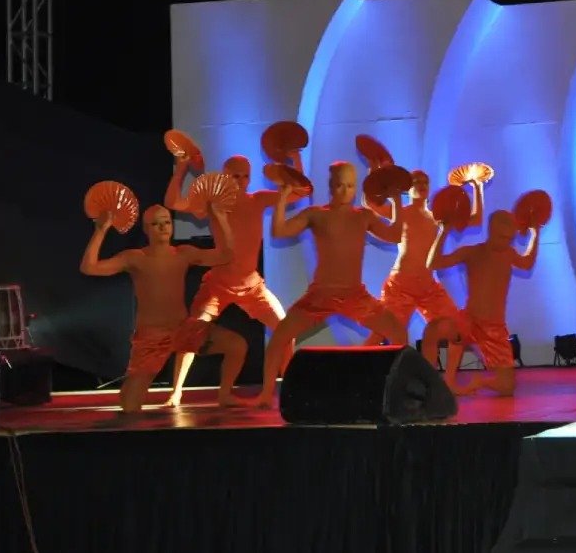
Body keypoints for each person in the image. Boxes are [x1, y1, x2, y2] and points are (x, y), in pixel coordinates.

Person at [252, 161, 407, 407]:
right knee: (280, 337)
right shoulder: (316, 214)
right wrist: (282, 197)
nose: (345, 191)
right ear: (330, 185)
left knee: (399, 333)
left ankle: (395, 392)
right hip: (320, 295)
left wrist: (397, 200)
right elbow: (280, 231)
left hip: (355, 294)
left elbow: (395, 235)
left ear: (356, 188)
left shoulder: (364, 215)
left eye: (350, 186)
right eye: (339, 185)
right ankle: (266, 394)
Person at [80, 203, 246, 413]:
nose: (163, 227)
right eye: (156, 224)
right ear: (146, 229)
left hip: (182, 330)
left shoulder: (183, 253)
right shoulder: (135, 258)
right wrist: (101, 230)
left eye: (167, 222)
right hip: (151, 338)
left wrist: (221, 219)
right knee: (130, 406)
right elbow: (89, 267)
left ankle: (225, 395)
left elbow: (225, 255)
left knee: (237, 345)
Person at [163, 153, 287, 407]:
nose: (241, 181)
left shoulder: (258, 199)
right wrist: (182, 167)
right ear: (224, 176)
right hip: (219, 283)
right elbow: (172, 201)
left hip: (251, 284)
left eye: (245, 177)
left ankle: (287, 387)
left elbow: (297, 191)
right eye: (235, 176)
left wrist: (291, 162)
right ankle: (175, 392)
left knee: (286, 328)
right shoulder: (212, 202)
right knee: (193, 332)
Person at [423, 209, 538, 396]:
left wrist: (535, 233)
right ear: (491, 231)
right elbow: (433, 263)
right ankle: (444, 382)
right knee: (435, 330)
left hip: (495, 328)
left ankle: (479, 382)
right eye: (502, 238)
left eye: (509, 239)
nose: (506, 243)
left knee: (507, 387)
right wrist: (443, 232)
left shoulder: (509, 254)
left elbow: (527, 263)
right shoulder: (473, 252)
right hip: (470, 319)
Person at [367, 169, 475, 355]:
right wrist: (377, 175)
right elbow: (371, 204)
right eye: (416, 181)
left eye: (425, 181)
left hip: (428, 288)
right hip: (400, 286)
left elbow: (476, 218)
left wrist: (477, 186)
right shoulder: (401, 212)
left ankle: (431, 372)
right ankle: (350, 370)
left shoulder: (436, 217)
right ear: (408, 188)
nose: (421, 185)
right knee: (382, 333)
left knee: (458, 329)